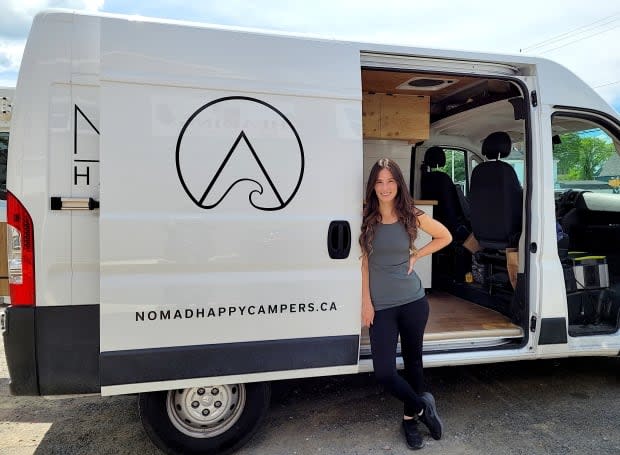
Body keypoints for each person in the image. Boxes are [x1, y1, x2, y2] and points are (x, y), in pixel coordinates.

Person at [360, 158, 452, 450]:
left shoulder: (411, 213)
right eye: (379, 182)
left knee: (414, 362)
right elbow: (363, 264)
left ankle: (410, 420)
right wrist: (366, 303)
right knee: (384, 373)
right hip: (381, 306)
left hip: (413, 301)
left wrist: (417, 255)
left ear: (398, 184)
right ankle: (423, 407)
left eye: (390, 181)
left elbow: (445, 236)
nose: (385, 188)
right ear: (372, 186)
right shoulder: (365, 217)